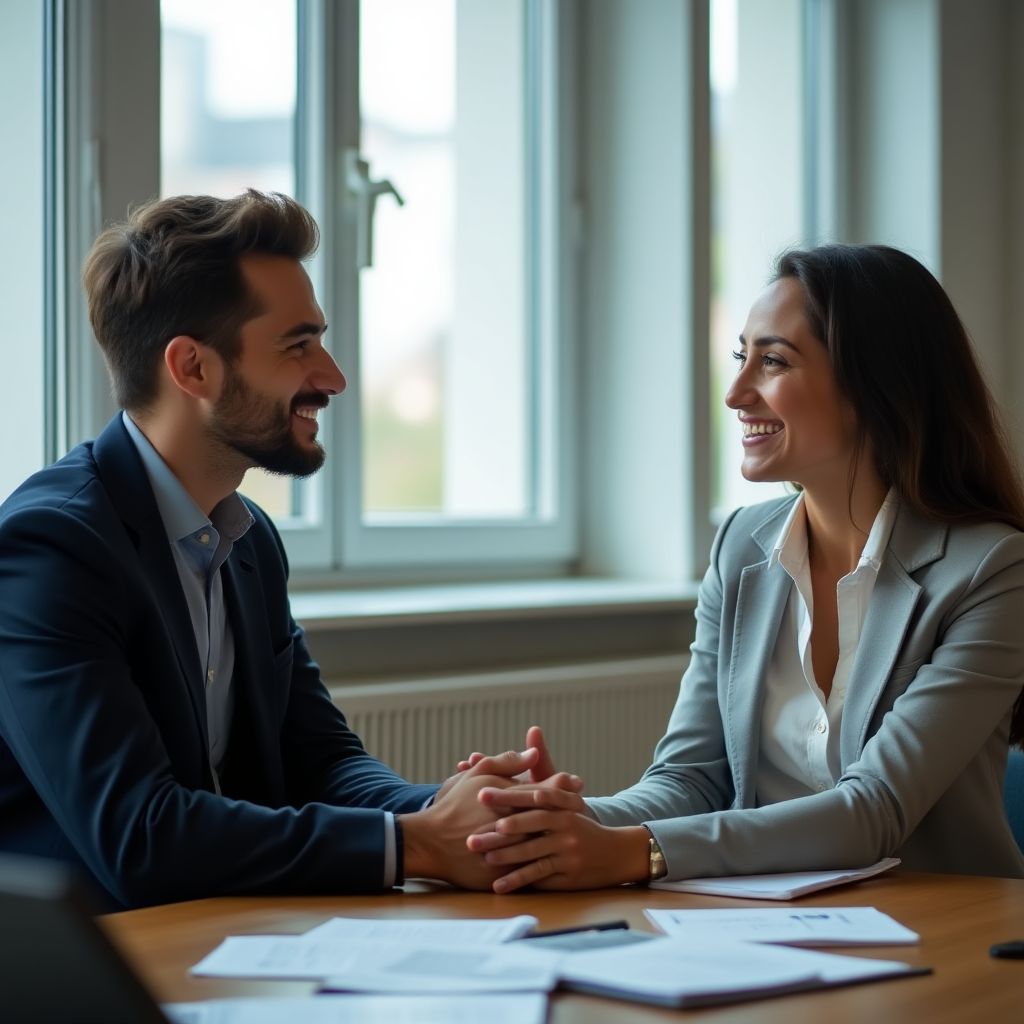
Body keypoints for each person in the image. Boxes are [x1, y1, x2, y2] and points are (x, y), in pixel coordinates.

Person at [0, 190, 560, 909]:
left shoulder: (248, 541)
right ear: (193, 369)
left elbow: (320, 762)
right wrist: (418, 844)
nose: (332, 377)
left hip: (214, 943)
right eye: (298, 346)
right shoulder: (51, 549)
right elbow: (140, 837)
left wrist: (469, 815)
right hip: (81, 974)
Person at [467, 243, 1024, 891]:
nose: (735, 393)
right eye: (741, 357)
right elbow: (693, 779)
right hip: (762, 927)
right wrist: (552, 823)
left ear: (876, 384)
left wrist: (628, 851)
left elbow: (873, 812)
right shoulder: (740, 545)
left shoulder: (991, 570)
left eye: (773, 362)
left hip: (942, 929)